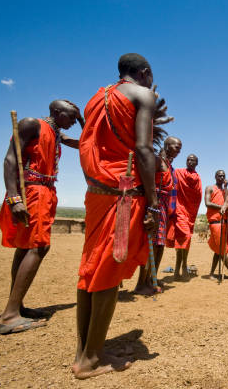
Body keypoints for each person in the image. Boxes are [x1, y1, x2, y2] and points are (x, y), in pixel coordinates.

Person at [73, 53, 170, 379]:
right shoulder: (143, 95)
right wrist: (154, 201)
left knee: (90, 268)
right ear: (144, 73)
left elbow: (94, 143)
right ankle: (91, 360)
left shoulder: (96, 97)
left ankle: (87, 349)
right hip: (125, 190)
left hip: (97, 191)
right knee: (110, 269)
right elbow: (143, 150)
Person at [0, 100, 82, 335]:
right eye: (71, 116)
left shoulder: (56, 133)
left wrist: (84, 123)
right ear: (56, 112)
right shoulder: (32, 124)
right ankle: (10, 315)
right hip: (32, 191)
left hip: (46, 190)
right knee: (39, 247)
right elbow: (10, 159)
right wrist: (14, 198)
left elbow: (85, 144)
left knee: (25, 247)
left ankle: (17, 306)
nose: (74, 121)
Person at [134, 136, 181, 295]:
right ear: (166, 146)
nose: (178, 150)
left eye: (180, 148)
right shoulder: (157, 161)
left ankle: (151, 278)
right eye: (176, 147)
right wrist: (151, 208)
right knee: (151, 245)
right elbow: (147, 182)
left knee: (159, 245)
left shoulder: (168, 164)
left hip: (164, 209)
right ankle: (141, 283)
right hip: (155, 206)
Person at [166, 154, 202, 280]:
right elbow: (171, 184)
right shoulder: (178, 172)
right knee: (183, 237)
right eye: (188, 159)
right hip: (179, 209)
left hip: (190, 212)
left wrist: (192, 211)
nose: (190, 161)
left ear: (197, 163)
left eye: (193, 160)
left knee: (185, 239)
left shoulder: (197, 178)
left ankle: (182, 267)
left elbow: (198, 196)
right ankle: (179, 268)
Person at [205, 170, 228, 280]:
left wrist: (226, 188)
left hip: (225, 222)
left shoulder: (225, 191)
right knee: (222, 249)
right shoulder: (210, 188)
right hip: (216, 223)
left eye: (223, 175)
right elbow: (207, 203)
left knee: (218, 250)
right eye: (219, 175)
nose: (221, 177)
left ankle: (211, 274)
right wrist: (223, 207)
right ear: (215, 177)